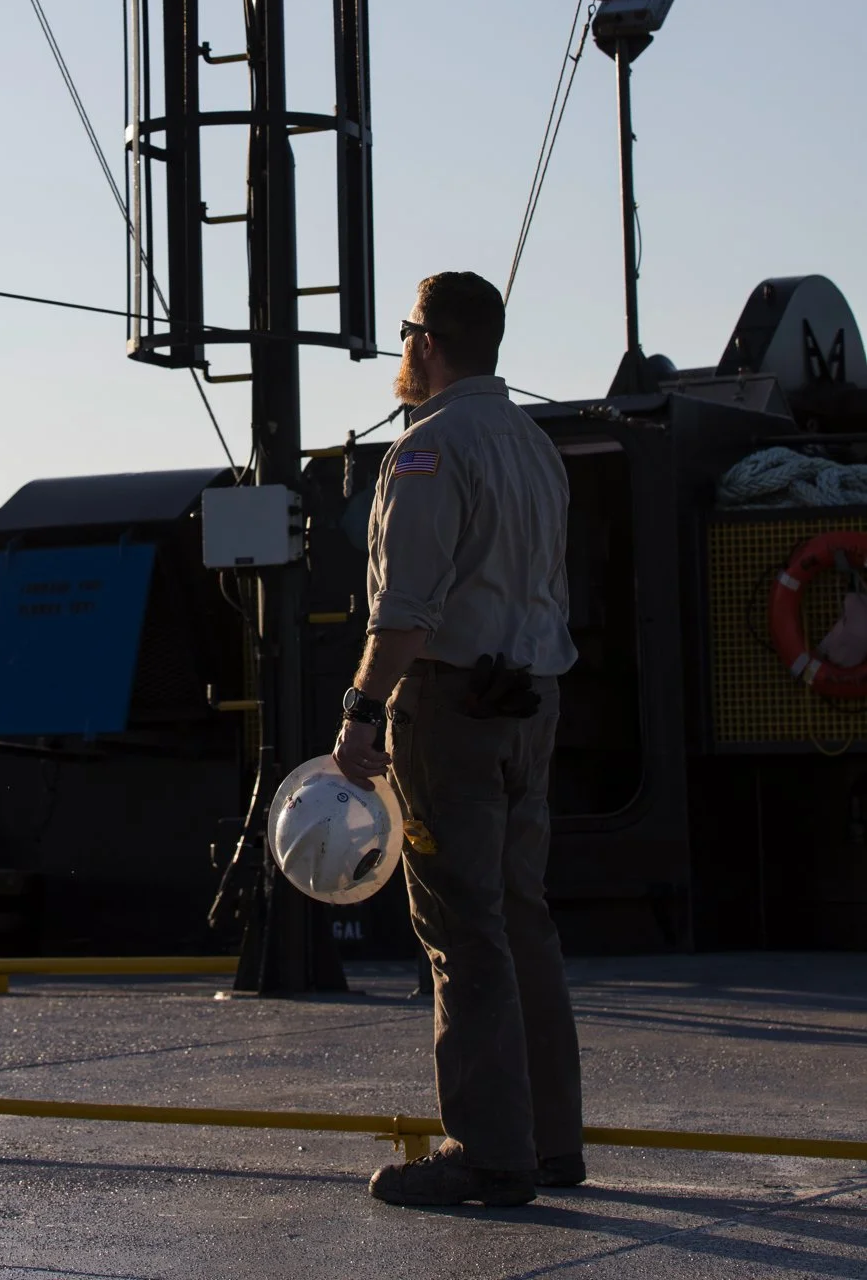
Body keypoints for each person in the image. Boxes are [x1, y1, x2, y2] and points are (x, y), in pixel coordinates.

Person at [333, 270, 583, 1209]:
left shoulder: (427, 451)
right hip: (532, 707)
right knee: (524, 920)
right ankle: (553, 1144)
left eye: (406, 332)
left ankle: (486, 1152)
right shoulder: (535, 447)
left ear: (426, 344)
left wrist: (361, 712)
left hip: (451, 713)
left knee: (460, 932)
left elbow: (405, 613)